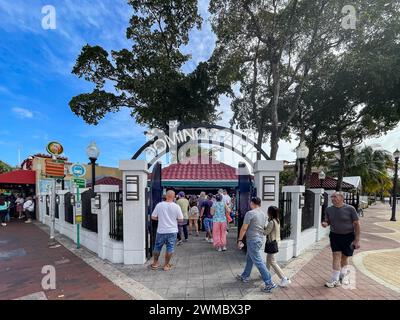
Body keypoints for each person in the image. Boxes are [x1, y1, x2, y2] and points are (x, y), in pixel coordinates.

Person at [236, 197, 277, 293]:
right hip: (259, 239)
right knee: (250, 258)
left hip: (252, 240)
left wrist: (239, 240)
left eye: (250, 203)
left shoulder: (250, 213)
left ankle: (269, 282)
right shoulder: (263, 214)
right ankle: (245, 276)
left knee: (258, 261)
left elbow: (244, 228)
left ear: (252, 203)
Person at [322, 191, 361, 288]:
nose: (332, 198)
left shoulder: (350, 209)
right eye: (332, 197)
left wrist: (357, 239)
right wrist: (326, 223)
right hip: (335, 236)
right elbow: (328, 220)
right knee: (336, 256)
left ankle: (343, 276)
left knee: (344, 258)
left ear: (341, 198)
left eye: (335, 196)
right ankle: (335, 279)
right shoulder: (328, 209)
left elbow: (357, 224)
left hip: (348, 237)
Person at [150, 190, 184, 271]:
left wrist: (161, 219)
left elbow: (153, 217)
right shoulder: (176, 206)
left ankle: (155, 263)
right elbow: (181, 220)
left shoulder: (159, 205)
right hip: (172, 231)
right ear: (174, 196)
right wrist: (173, 219)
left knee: (157, 247)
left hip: (161, 230)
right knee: (170, 248)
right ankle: (166, 265)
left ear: (166, 196)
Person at [264, 206, 291, 287]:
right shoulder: (277, 220)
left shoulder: (272, 222)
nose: (267, 212)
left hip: (272, 243)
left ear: (270, 212)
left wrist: (259, 228)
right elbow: (270, 229)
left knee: (272, 261)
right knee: (268, 260)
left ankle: (284, 278)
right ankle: (266, 274)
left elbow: (266, 232)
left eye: (268, 211)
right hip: (276, 242)